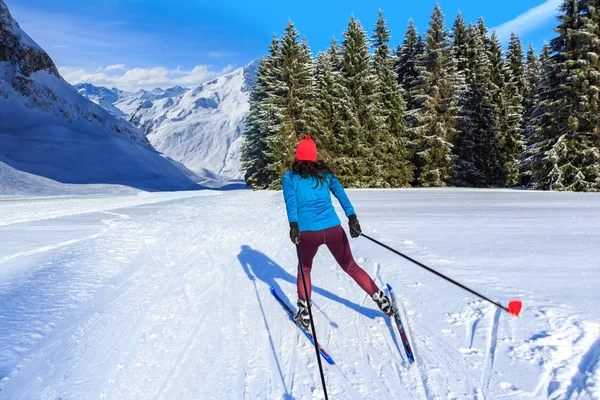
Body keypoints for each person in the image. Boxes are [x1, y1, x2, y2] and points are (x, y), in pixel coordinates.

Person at [282, 136, 394, 330]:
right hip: (333, 229)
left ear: (298, 156)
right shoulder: (325, 175)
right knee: (351, 266)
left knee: (305, 268)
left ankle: (304, 312)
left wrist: (294, 225)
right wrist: (352, 218)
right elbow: (341, 194)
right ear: (314, 156)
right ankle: (380, 298)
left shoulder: (290, 177)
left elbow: (291, 201)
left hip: (308, 232)